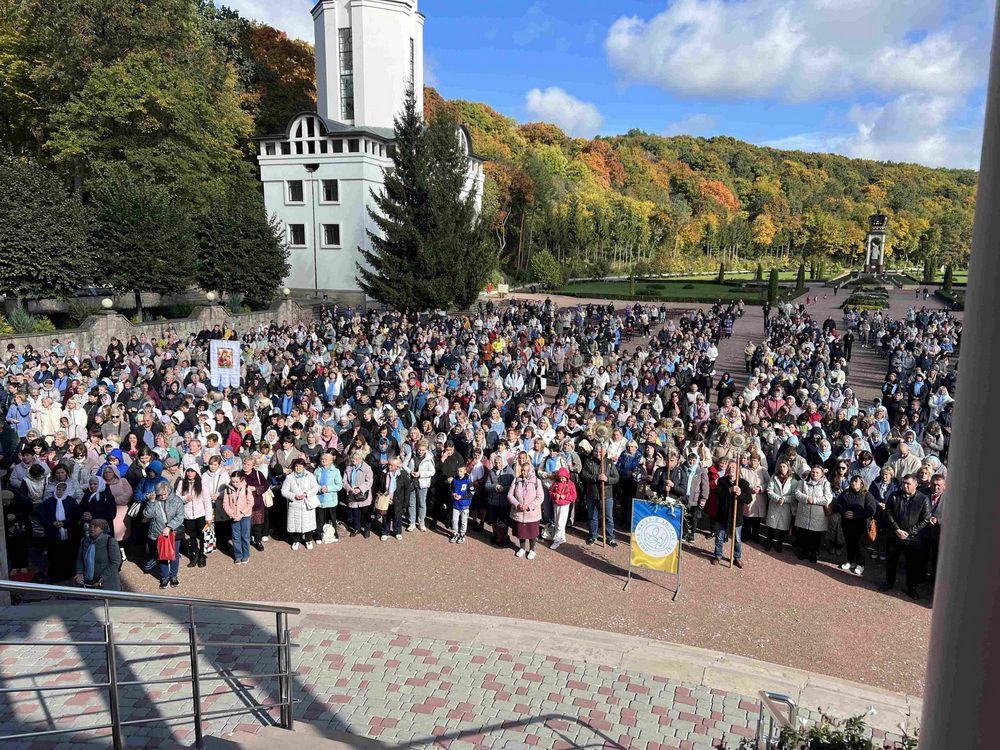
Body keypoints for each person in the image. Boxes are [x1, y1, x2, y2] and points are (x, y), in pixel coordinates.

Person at [879, 474, 931, 599]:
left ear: (915, 484)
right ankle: (889, 582)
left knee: (912, 564)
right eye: (903, 483)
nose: (905, 486)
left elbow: (926, 518)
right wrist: (897, 529)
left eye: (908, 483)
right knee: (891, 560)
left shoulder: (923, 499)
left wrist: (911, 532)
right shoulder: (894, 496)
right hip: (894, 535)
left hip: (912, 539)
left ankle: (911, 587)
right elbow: (888, 513)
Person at [832, 475, 877, 576]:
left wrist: (856, 515)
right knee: (849, 543)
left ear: (861, 483)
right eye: (852, 481)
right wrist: (844, 512)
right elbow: (838, 504)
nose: (853, 484)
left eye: (856, 482)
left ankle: (861, 564)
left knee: (859, 545)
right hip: (847, 523)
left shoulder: (867, 495)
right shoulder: (846, 493)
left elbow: (871, 510)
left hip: (860, 525)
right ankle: (850, 561)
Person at [711, 460, 752, 568]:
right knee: (719, 537)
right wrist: (729, 490)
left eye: (733, 467)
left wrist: (740, 493)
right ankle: (718, 555)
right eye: (729, 467)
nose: (731, 469)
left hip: (736, 516)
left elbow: (748, 499)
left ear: (738, 469)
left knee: (737, 539)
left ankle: (737, 558)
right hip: (722, 515)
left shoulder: (744, 483)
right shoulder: (721, 481)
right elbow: (718, 494)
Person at [143, 481, 185, 588]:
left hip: (173, 532)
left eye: (164, 494)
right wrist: (151, 502)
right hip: (158, 532)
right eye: (160, 494)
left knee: (174, 555)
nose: (162, 497)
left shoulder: (176, 500)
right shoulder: (154, 500)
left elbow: (180, 516)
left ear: (169, 490)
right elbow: (147, 514)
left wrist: (170, 527)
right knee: (162, 556)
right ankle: (164, 577)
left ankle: (174, 576)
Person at [39, 482, 80, 583]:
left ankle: (68, 575)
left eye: (62, 490)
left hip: (69, 533)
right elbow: (41, 517)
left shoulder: (71, 501)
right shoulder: (48, 502)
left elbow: (76, 516)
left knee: (68, 554)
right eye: (58, 489)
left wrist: (64, 523)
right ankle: (55, 576)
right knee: (54, 555)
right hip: (53, 534)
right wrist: (52, 523)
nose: (60, 492)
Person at [581, 445, 619, 547]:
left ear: (605, 452)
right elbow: (584, 475)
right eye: (597, 452)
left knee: (608, 517)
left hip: (606, 495)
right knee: (593, 516)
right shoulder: (589, 462)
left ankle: (610, 538)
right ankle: (593, 536)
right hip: (592, 494)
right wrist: (596, 477)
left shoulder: (609, 463)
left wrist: (607, 479)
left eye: (600, 452)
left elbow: (616, 478)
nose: (598, 454)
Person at [794, 465, 832, 563]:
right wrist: (806, 498)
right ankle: (804, 551)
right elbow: (797, 493)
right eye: (813, 472)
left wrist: (814, 500)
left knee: (815, 536)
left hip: (818, 515)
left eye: (817, 472)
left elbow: (828, 498)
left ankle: (814, 553)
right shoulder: (803, 482)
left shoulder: (826, 484)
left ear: (821, 474)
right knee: (804, 533)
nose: (814, 474)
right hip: (804, 513)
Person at [176, 467, 213, 568]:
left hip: (200, 514)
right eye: (188, 471)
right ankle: (195, 555)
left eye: (192, 471)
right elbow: (177, 496)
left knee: (201, 536)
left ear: (196, 472)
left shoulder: (202, 484)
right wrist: (185, 498)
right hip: (187, 514)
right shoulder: (182, 483)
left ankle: (202, 555)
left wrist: (208, 517)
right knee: (192, 536)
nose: (189, 473)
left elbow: (207, 501)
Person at [281, 457, 320, 550]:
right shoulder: (290, 477)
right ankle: (295, 541)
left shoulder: (310, 475)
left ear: (304, 467)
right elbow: (283, 491)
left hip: (307, 502)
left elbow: (315, 488)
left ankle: (308, 540)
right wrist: (294, 495)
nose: (298, 468)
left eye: (300, 466)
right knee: (295, 524)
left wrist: (306, 494)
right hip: (295, 504)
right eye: (296, 466)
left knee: (308, 523)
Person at [508, 460, 544, 559]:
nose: (523, 472)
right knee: (521, 531)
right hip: (519, 512)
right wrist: (517, 504)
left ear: (530, 471)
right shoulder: (516, 480)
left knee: (532, 532)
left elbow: (540, 497)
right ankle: (522, 548)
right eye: (522, 470)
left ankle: (532, 549)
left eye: (525, 470)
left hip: (532, 513)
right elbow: (510, 495)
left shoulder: (537, 481)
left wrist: (529, 506)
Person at [74, 518, 121, 590]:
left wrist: (102, 577)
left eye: (95, 526)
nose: (91, 529)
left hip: (106, 582)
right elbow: (80, 559)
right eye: (90, 526)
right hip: (87, 582)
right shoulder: (84, 541)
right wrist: (79, 572)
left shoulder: (110, 541)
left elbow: (115, 562)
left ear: (102, 529)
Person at [763, 460, 796, 553]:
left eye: (784, 467)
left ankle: (779, 544)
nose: (782, 468)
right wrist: (778, 498)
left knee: (783, 527)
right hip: (775, 504)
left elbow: (794, 495)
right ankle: (769, 543)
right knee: (771, 526)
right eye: (780, 466)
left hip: (786, 507)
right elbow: (769, 490)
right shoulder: (774, 477)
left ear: (788, 468)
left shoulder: (793, 480)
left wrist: (784, 499)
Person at [223, 471, 254, 565]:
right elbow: (225, 504)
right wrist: (231, 514)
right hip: (233, 516)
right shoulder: (227, 489)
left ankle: (246, 554)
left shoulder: (246, 488)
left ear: (242, 480)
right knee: (235, 537)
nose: (235, 484)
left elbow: (250, 503)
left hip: (245, 516)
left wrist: (242, 514)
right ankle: (238, 555)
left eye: (237, 482)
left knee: (245, 536)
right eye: (233, 482)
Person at [313, 452, 343, 544]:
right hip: (320, 498)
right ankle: (319, 535)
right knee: (320, 519)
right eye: (322, 459)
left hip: (331, 500)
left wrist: (328, 488)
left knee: (332, 518)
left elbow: (339, 485)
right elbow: (313, 484)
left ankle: (334, 534)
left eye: (325, 459)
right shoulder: (317, 471)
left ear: (331, 461)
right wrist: (319, 488)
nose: (323, 461)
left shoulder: (336, 471)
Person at [379, 457, 411, 541]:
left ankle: (397, 531)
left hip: (398, 500)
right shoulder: (383, 473)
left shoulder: (402, 475)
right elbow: (379, 485)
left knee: (397, 517)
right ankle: (385, 531)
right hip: (386, 499)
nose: (390, 467)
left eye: (392, 465)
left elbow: (407, 488)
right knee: (386, 516)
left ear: (397, 466)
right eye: (389, 465)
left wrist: (405, 503)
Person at [344, 451, 374, 538]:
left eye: (357, 459)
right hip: (352, 493)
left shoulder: (367, 468)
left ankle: (367, 529)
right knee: (355, 512)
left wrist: (360, 488)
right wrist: (349, 488)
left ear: (361, 459)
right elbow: (344, 481)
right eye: (353, 458)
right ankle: (357, 528)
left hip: (363, 494)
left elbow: (369, 481)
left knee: (365, 512)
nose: (354, 460)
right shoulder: (348, 468)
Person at [548, 467, 577, 550]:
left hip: (564, 505)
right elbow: (550, 491)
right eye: (560, 478)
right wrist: (554, 495)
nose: (561, 479)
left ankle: (557, 540)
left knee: (561, 522)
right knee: (557, 521)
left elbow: (574, 496)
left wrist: (565, 497)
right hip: (556, 503)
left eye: (563, 478)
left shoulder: (570, 484)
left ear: (567, 477)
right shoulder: (556, 483)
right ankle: (562, 537)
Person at [449, 463, 473, 544]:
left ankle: (462, 534)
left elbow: (472, 493)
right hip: (456, 504)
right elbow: (451, 489)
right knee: (454, 520)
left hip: (465, 505)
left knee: (463, 521)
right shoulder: (455, 479)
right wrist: (453, 494)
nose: (459, 473)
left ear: (465, 471)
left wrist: (461, 497)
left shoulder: (468, 481)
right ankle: (455, 533)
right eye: (458, 471)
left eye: (461, 471)